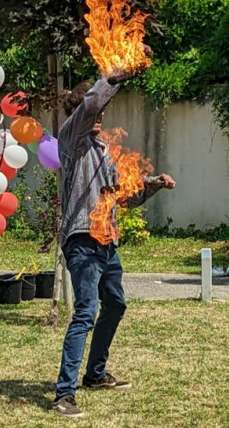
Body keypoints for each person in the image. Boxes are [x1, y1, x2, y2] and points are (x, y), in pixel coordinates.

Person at [52, 74, 175, 418]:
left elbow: (125, 196)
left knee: (116, 305)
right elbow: (92, 103)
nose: (102, 115)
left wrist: (153, 185)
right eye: (97, 110)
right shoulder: (71, 140)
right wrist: (114, 77)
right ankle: (64, 394)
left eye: (105, 111)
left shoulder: (105, 152)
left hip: (107, 241)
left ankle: (94, 374)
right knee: (86, 312)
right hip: (83, 239)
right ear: (80, 114)